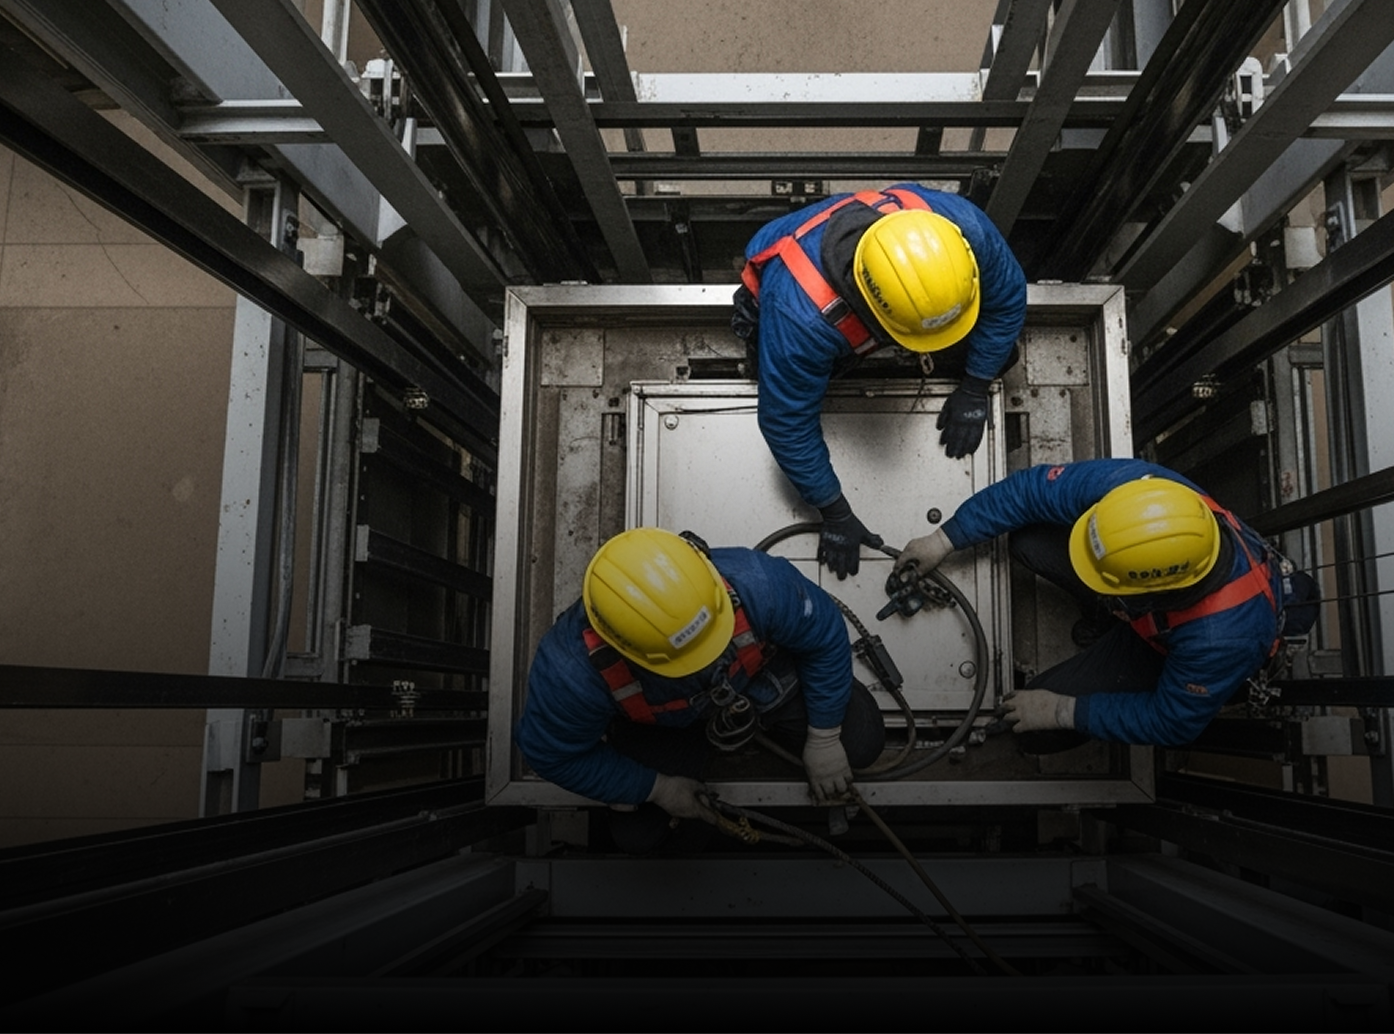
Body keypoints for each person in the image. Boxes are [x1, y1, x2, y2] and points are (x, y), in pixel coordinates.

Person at [893, 460, 1318, 752]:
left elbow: (1171, 722)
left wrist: (1063, 712)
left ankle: (1109, 637)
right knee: (1028, 539)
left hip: (1160, 647)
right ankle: (1104, 617)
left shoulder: (1221, 642)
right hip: (1148, 605)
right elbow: (1030, 491)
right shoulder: (1137, 490)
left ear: (1149, 595)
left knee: (1029, 732)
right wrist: (945, 539)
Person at [515, 528, 886, 853]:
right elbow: (550, 754)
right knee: (643, 837)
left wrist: (824, 737)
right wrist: (656, 788)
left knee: (861, 742)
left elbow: (823, 636)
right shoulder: (571, 673)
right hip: (668, 727)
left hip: (761, 680)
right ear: (621, 646)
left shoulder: (757, 582)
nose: (703, 662)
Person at [732, 183, 1028, 580]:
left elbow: (1007, 300)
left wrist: (975, 385)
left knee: (1002, 353)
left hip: (874, 306)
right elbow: (787, 423)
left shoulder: (962, 229)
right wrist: (834, 511)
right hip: (793, 289)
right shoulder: (798, 319)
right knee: (788, 380)